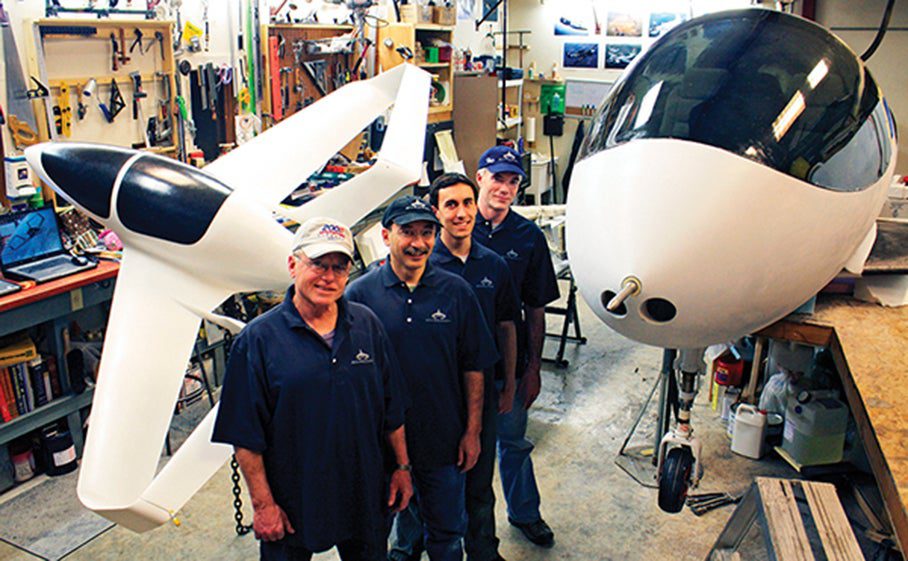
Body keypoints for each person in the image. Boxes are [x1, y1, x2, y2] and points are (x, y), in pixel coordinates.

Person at [212, 217, 413, 561]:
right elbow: (245, 434)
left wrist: (402, 468)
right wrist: (263, 505)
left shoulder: (367, 325)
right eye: (318, 264)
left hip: (364, 492)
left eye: (339, 267)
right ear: (293, 265)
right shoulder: (258, 340)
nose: (328, 276)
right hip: (293, 501)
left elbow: (391, 409)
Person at [346, 196, 498, 561]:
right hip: (378, 445)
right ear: (386, 236)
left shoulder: (456, 292)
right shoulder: (359, 296)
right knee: (372, 537)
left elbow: (473, 366)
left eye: (427, 232)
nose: (418, 242)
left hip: (442, 439)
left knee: (446, 536)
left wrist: (472, 430)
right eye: (407, 232)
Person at [473, 146, 560, 548]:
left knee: (513, 442)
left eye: (513, 182)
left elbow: (535, 308)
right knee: (459, 451)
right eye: (498, 179)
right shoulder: (454, 226)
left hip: (508, 364)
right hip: (456, 365)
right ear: (480, 178)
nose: (505, 189)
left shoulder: (528, 237)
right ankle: (459, 527)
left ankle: (524, 512)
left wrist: (532, 369)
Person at [430, 173, 520, 561]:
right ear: (436, 212)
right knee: (430, 482)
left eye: (467, 203)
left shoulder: (494, 265)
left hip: (482, 391)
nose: (462, 213)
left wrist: (511, 383)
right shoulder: (424, 265)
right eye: (451, 205)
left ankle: (483, 550)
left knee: (480, 481)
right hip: (434, 393)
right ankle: (415, 547)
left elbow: (506, 326)